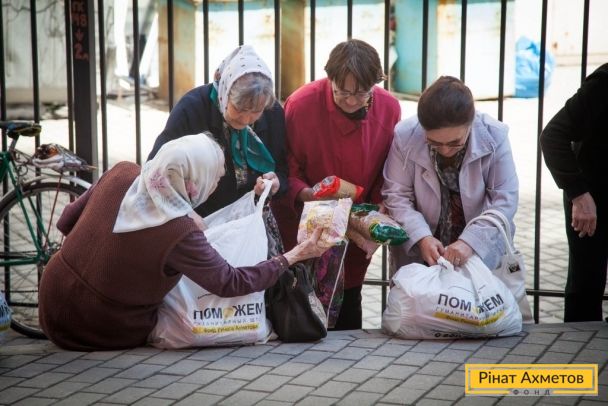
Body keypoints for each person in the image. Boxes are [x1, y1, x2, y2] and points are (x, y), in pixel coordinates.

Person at [38, 134, 328, 351]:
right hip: (96, 326)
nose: (216, 184)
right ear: (192, 183)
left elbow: (66, 221)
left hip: (50, 297)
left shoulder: (122, 172)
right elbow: (230, 282)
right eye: (215, 178)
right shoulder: (178, 231)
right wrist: (292, 256)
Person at [272, 39, 401, 330]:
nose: (352, 101)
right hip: (305, 218)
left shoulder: (389, 108)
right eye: (342, 92)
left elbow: (389, 167)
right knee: (300, 300)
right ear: (329, 79)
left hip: (356, 221)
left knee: (349, 296)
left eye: (362, 93)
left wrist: (377, 207)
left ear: (375, 84)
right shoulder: (301, 103)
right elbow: (285, 164)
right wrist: (306, 193)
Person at [383, 76, 518, 271]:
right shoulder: (405, 135)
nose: (445, 150)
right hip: (421, 254)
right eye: (434, 143)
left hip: (481, 251)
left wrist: (471, 241)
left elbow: (504, 200)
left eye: (455, 143)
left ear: (470, 124)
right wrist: (421, 236)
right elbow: (396, 195)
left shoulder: (495, 135)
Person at [147, 45, 287, 217]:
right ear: (225, 92)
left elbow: (283, 168)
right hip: (199, 217)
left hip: (250, 218)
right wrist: (187, 216)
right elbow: (156, 171)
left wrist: (275, 183)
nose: (246, 119)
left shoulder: (272, 112)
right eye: (239, 108)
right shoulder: (192, 109)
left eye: (256, 111)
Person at [540, 63, 608, 322]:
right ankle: (577, 344)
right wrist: (579, 194)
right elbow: (552, 136)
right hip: (592, 198)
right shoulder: (603, 83)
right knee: (585, 287)